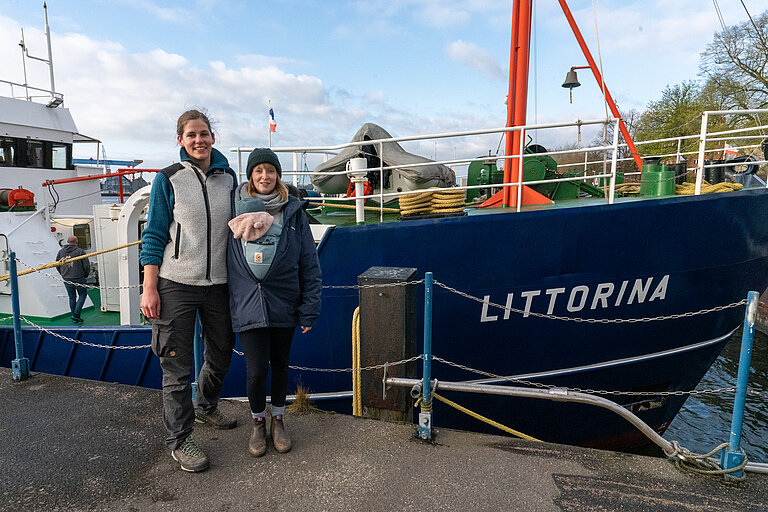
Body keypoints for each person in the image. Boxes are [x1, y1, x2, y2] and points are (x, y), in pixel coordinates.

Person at [139, 109, 238, 473]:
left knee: (223, 353)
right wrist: (150, 287)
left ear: (213, 137)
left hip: (218, 285)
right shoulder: (169, 179)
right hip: (175, 283)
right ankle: (181, 440)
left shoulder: (228, 178)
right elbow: (153, 234)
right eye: (191, 135)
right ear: (180, 140)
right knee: (176, 367)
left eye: (205, 134)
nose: (199, 140)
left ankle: (207, 406)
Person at [227, 147, 322, 457]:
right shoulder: (234, 208)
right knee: (255, 371)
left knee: (280, 366)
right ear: (250, 176)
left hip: (284, 303)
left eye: (269, 170)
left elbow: (309, 262)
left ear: (278, 175)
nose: (264, 176)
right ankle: (257, 424)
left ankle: (278, 421)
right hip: (248, 304)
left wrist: (309, 309)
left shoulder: (293, 212)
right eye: (258, 171)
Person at [55, 235, 90, 323]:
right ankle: (76, 314)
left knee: (72, 297)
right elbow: (86, 266)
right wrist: (85, 275)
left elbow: (57, 264)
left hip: (66, 278)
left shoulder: (61, 252)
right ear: (76, 241)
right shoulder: (80, 252)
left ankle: (73, 314)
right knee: (82, 294)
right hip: (78, 277)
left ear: (68, 241)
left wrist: (63, 274)